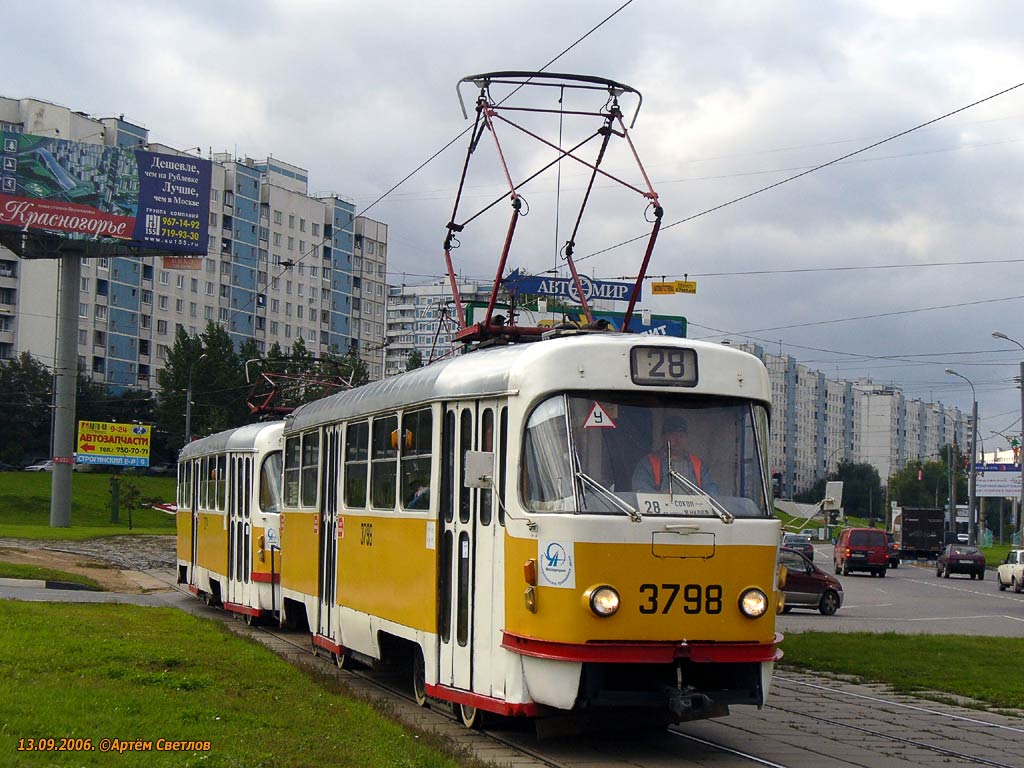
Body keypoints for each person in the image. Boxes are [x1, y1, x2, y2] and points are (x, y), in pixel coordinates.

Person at [631, 414, 719, 495]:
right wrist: (659, 496)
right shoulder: (648, 463)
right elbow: (640, 489)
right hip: (663, 507)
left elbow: (713, 494)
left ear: (687, 438)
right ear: (663, 437)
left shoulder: (698, 465)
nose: (677, 439)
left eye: (681, 435)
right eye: (672, 435)